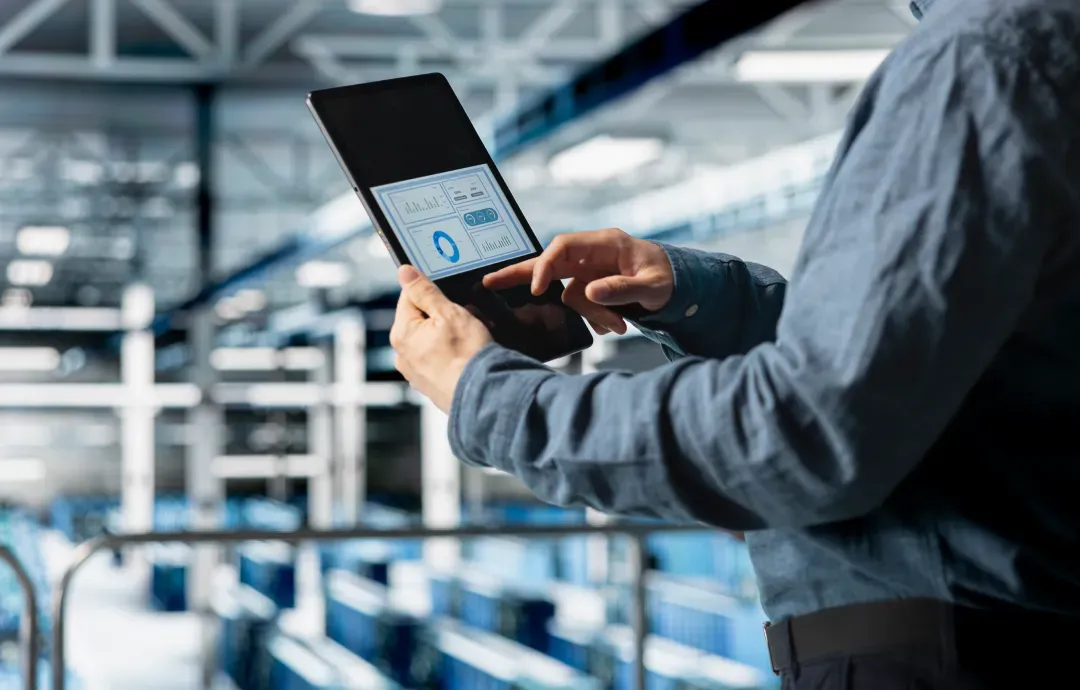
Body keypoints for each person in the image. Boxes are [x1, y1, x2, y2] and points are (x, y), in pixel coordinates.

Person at [390, 0, 1080, 687]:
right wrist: (697, 295)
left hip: (945, 657)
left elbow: (807, 431)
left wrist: (494, 400)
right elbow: (921, 362)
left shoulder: (989, 55)